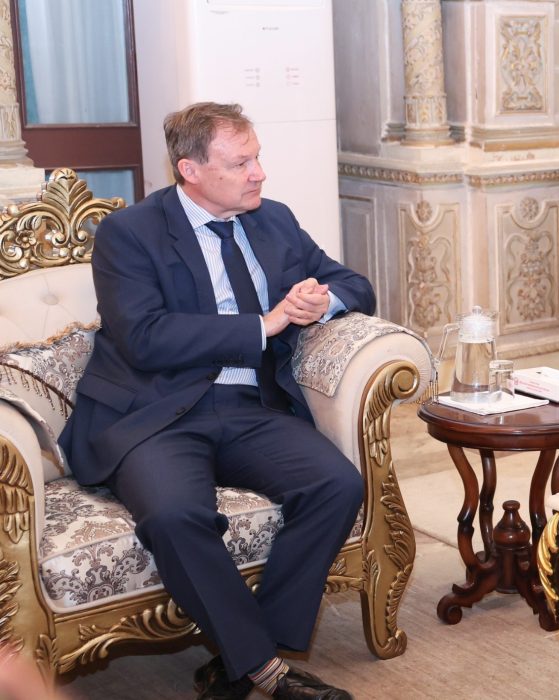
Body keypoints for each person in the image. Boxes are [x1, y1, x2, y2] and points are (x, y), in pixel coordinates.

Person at [59, 102, 373, 700]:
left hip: (250, 407)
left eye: (257, 157)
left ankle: (241, 661)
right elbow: (145, 337)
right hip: (155, 413)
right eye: (241, 163)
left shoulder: (273, 220)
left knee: (336, 485)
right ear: (191, 170)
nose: (259, 173)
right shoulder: (130, 233)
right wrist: (263, 325)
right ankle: (268, 672)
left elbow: (354, 283)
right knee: (174, 516)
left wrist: (321, 301)